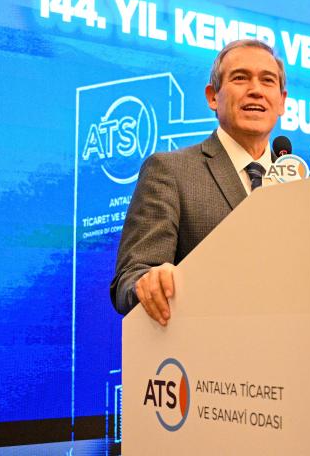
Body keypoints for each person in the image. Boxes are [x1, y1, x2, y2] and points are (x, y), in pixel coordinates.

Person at [110, 39, 287, 324]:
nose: (256, 90)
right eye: (240, 78)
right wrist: (149, 281)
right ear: (213, 96)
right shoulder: (170, 171)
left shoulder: (300, 186)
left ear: (282, 101)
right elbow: (132, 277)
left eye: (267, 81)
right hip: (205, 344)